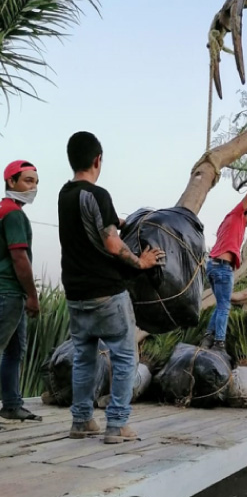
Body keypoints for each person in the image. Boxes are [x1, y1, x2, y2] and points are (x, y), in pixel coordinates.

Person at [58, 131, 164, 444]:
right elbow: (112, 244)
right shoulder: (98, 194)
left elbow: (92, 223)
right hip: (106, 293)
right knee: (124, 356)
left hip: (76, 295)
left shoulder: (65, 195)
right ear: (97, 160)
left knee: (83, 357)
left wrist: (119, 219)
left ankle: (81, 420)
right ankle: (117, 424)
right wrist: (142, 262)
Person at [202, 167, 247, 351]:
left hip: (213, 266)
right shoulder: (236, 214)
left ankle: (207, 338)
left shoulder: (227, 223)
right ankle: (219, 343)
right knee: (225, 307)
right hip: (222, 267)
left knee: (221, 304)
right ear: (245, 211)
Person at [0, 160, 42, 422]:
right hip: (9, 292)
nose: (33, 187)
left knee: (15, 351)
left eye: (36, 182)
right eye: (28, 181)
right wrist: (33, 295)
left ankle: (12, 404)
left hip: (11, 292)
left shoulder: (7, 210)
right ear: (11, 182)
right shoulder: (12, 213)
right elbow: (19, 258)